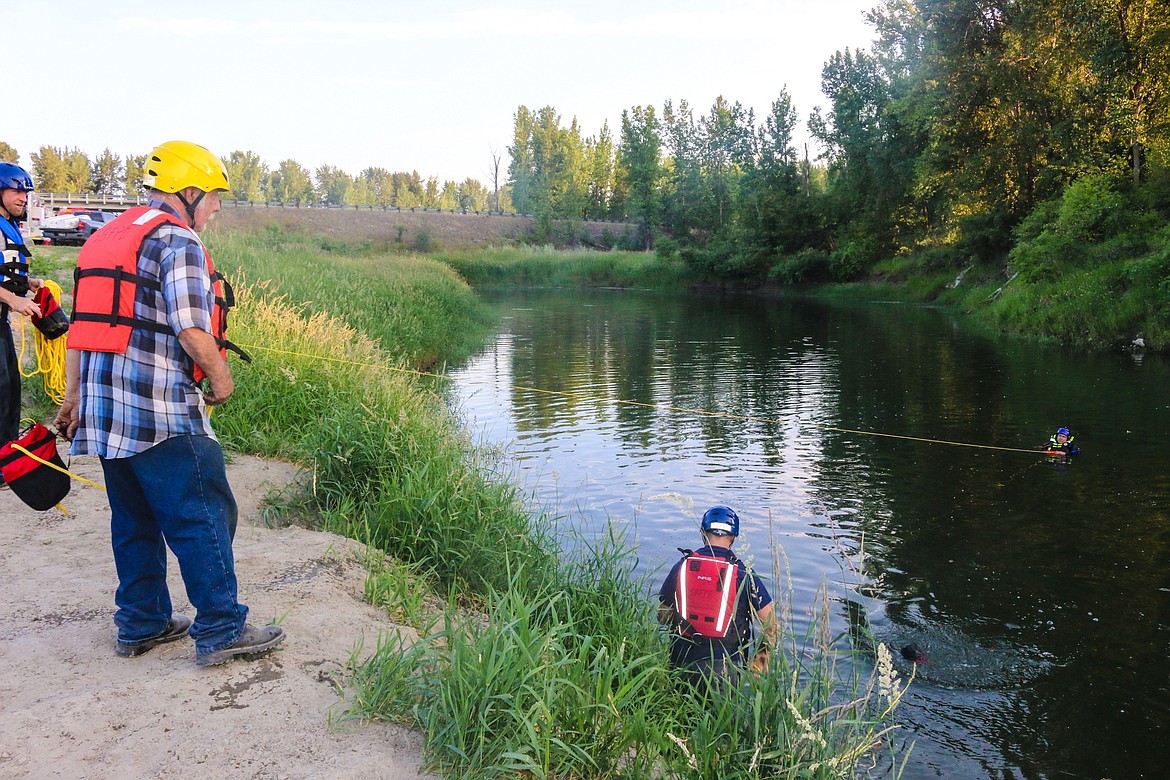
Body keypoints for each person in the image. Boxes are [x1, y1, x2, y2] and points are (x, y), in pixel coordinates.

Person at [54, 140, 284, 667]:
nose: (218, 208)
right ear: (189, 190)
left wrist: (73, 398)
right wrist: (221, 378)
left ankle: (141, 622)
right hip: (160, 409)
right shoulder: (178, 242)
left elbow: (81, 329)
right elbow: (191, 327)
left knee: (132, 520)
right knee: (202, 512)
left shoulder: (103, 238)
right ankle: (222, 629)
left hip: (106, 409)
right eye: (215, 196)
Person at [657, 505, 779, 688]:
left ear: (703, 533)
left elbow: (662, 617)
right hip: (724, 668)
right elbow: (771, 626)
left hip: (681, 661)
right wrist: (760, 661)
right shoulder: (743, 573)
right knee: (720, 716)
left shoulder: (682, 565)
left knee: (677, 714)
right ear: (734, 537)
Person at [0, 162, 43, 449]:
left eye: (25, 193)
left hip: (2, 322)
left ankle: (7, 458)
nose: (23, 198)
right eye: (17, 191)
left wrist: (26, 285)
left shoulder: (10, 228)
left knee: (11, 389)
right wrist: (13, 299)